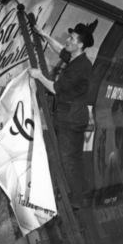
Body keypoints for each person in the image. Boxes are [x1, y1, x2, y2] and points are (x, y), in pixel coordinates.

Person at [29, 20, 98, 208]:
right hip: (74, 117)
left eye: (72, 38)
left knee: (67, 159)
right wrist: (43, 34)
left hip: (70, 119)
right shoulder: (78, 59)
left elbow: (55, 89)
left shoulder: (79, 67)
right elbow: (60, 49)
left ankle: (75, 199)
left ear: (80, 44)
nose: (68, 40)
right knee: (73, 158)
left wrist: (38, 76)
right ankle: (78, 194)